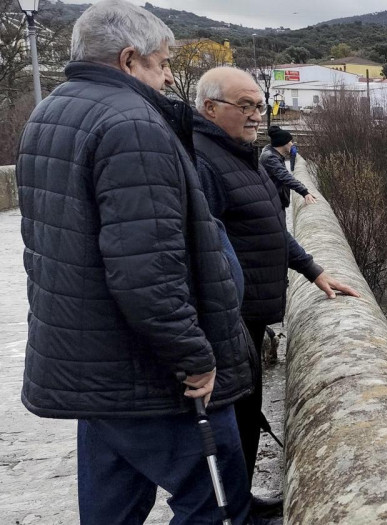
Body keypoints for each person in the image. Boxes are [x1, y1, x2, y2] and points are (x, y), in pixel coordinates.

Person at [16, 2, 266, 523]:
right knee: (217, 505)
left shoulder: (51, 111)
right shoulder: (132, 124)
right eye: (163, 61)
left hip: (94, 365)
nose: (171, 74)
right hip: (153, 375)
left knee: (111, 512)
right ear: (130, 60)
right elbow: (145, 270)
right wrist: (194, 356)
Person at [190, 66, 361, 517]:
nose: (255, 116)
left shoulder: (243, 156)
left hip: (249, 314)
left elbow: (268, 227)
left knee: (246, 414)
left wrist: (313, 270)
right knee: (230, 422)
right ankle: (231, 509)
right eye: (244, 106)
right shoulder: (202, 162)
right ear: (210, 108)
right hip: (228, 317)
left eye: (258, 107)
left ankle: (241, 501)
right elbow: (197, 250)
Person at [260, 125, 316, 210]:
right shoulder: (270, 158)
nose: (292, 144)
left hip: (274, 200)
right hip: (271, 203)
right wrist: (304, 192)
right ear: (284, 143)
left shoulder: (274, 155)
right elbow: (285, 176)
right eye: (290, 141)